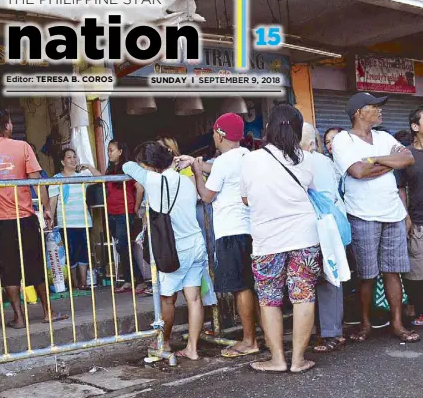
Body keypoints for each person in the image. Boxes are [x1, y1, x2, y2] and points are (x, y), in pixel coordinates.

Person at [0, 110, 67, 329]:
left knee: (7, 269)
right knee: (35, 263)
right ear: (6, 125)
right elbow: (37, 181)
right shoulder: (22, 147)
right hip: (24, 217)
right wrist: (46, 209)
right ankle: (48, 312)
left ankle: (19, 318)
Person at [332, 92, 418, 343]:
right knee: (366, 274)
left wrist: (377, 159)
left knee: (393, 272)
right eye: (374, 106)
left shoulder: (383, 136)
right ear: (359, 112)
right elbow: (357, 171)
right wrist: (391, 163)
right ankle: (365, 324)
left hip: (392, 212)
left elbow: (408, 158)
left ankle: (398, 325)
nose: (380, 110)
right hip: (362, 214)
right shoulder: (343, 140)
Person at [241, 104, 321, 373]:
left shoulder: (251, 160)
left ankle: (277, 359)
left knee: (269, 299)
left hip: (267, 240)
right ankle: (298, 360)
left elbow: (244, 198)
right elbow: (314, 192)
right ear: (298, 130)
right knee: (303, 297)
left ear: (268, 129)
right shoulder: (308, 159)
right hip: (304, 236)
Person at [182, 113, 259, 357]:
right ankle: (259, 335)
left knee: (241, 287)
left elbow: (206, 195)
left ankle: (249, 340)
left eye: (215, 132)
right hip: (250, 228)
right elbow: (219, 170)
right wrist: (196, 163)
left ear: (220, 134)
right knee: (250, 285)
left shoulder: (225, 161)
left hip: (230, 230)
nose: (213, 137)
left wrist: (196, 175)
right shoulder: (246, 155)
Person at [123, 141, 207, 360]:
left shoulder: (152, 180)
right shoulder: (186, 181)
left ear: (151, 165)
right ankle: (193, 349)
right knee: (194, 298)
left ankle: (165, 342)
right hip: (196, 244)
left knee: (168, 299)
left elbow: (127, 166)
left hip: (174, 250)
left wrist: (145, 168)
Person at [301, 122, 347, 353]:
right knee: (321, 278)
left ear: (310, 143)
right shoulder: (312, 160)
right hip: (319, 224)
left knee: (327, 278)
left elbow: (326, 197)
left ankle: (331, 332)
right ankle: (325, 330)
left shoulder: (316, 161)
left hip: (324, 225)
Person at [48, 148, 97, 290]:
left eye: (75, 157)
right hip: (66, 222)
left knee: (83, 251)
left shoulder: (82, 176)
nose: (73, 160)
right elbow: (53, 201)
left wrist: (88, 166)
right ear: (62, 161)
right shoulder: (56, 179)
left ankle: (83, 282)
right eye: (69, 157)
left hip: (83, 221)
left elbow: (100, 178)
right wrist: (50, 220)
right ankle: (73, 283)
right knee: (70, 253)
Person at [104, 140, 146, 293]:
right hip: (112, 212)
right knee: (120, 247)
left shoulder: (127, 168)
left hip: (124, 212)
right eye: (108, 150)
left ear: (120, 151)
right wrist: (89, 167)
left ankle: (140, 281)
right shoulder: (110, 170)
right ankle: (128, 280)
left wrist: (135, 208)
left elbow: (140, 188)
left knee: (124, 246)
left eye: (112, 150)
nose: (109, 153)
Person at [397, 106, 423, 325]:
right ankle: (417, 306)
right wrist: (406, 216)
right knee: (417, 273)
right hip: (418, 221)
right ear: (415, 127)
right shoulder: (407, 155)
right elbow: (400, 188)